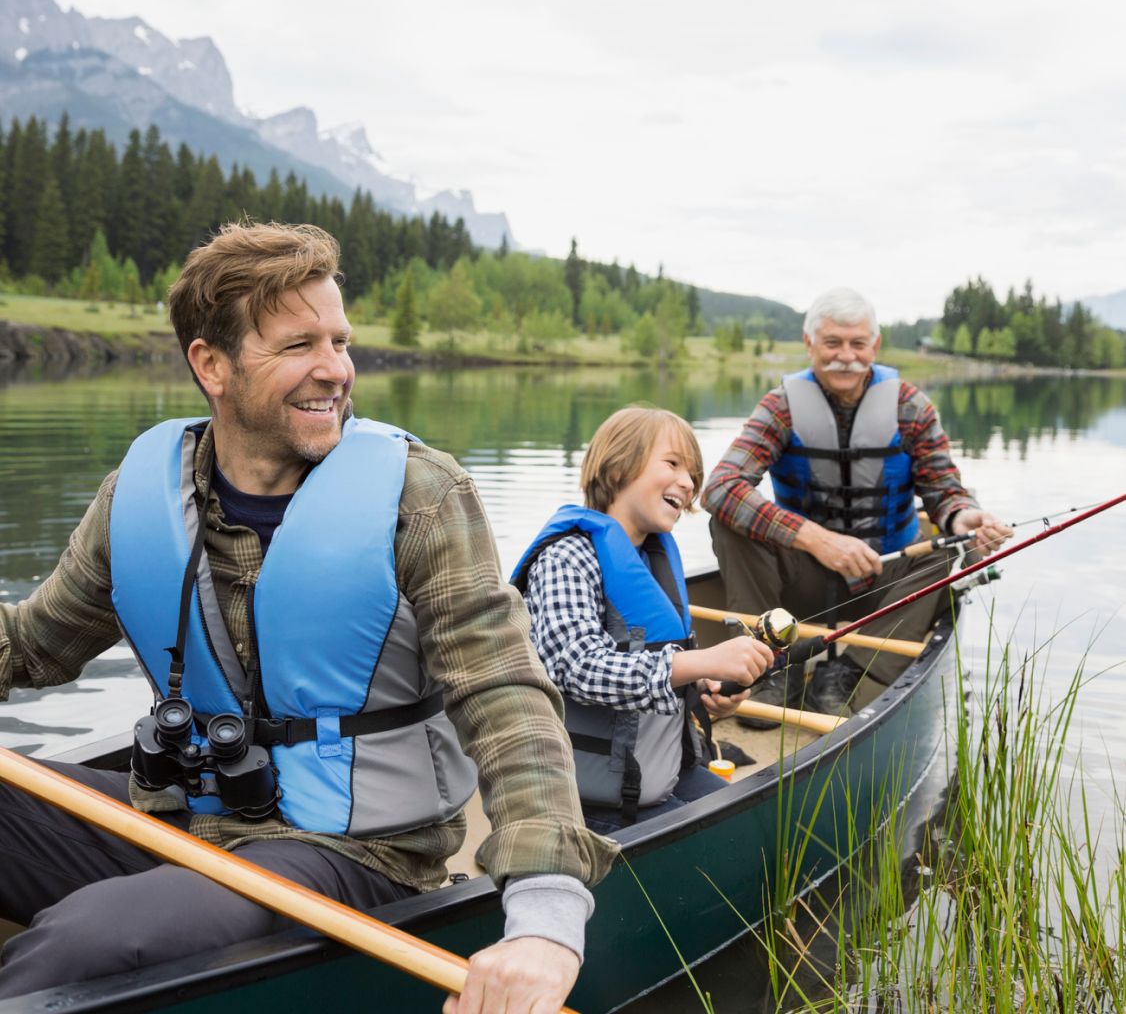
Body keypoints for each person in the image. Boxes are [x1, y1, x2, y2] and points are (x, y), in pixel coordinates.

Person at [0, 221, 618, 1010]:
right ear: (211, 365)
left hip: (354, 854)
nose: (335, 370)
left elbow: (505, 699)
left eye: (340, 340)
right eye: (299, 346)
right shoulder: (141, 494)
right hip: (183, 818)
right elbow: (28, 648)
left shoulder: (421, 494)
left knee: (89, 940)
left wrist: (545, 916)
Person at [703, 286, 1011, 723]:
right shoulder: (781, 406)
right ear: (810, 344)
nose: (844, 355)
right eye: (832, 343)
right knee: (729, 519)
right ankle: (771, 663)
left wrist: (965, 517)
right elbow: (720, 487)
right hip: (801, 583)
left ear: (875, 346)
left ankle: (851, 670)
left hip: (887, 581)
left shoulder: (911, 408)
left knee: (959, 549)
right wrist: (816, 539)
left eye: (856, 343)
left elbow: (945, 493)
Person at [511, 406, 774, 836]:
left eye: (693, 473)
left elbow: (661, 660)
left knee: (762, 827)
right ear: (617, 469)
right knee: (735, 843)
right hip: (582, 800)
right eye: (672, 464)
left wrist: (705, 688)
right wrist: (701, 663)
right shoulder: (567, 558)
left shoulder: (653, 560)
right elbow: (577, 667)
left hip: (659, 774)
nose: (689, 483)